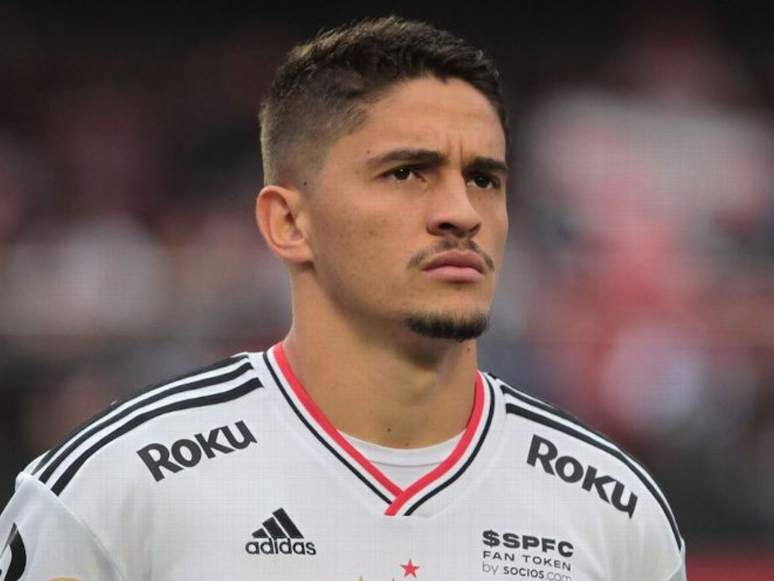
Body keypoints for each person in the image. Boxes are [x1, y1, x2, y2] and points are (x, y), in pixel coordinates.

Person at [0, 17, 686, 581]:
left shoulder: (616, 510)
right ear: (288, 223)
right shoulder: (111, 491)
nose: (461, 212)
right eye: (407, 172)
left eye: (484, 179)